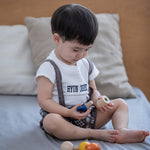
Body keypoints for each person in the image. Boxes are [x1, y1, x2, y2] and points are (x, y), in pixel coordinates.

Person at [36, 4, 149, 143]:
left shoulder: (86, 64)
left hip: (87, 115)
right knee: (51, 122)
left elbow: (93, 89)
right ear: (57, 39)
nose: (81, 55)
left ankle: (120, 131)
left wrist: (97, 99)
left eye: (86, 49)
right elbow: (44, 100)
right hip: (62, 117)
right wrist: (68, 112)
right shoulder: (49, 67)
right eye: (76, 49)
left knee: (121, 104)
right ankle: (93, 134)